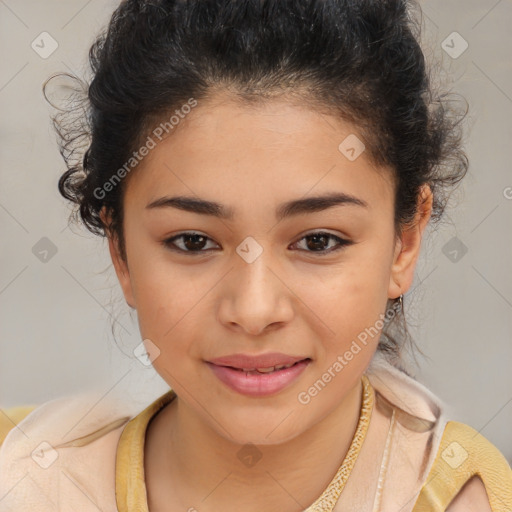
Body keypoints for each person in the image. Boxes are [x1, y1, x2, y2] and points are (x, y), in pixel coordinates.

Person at [1, 0, 511, 510]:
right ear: (121, 251)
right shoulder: (25, 479)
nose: (254, 310)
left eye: (318, 241)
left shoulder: (465, 498)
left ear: (405, 241)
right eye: (193, 241)